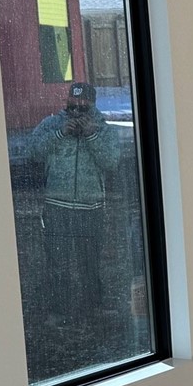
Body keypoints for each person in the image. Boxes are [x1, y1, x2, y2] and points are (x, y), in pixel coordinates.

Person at [24, 83, 116, 320]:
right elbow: (32, 152)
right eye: (72, 105)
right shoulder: (52, 124)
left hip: (91, 206)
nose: (76, 112)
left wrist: (91, 135)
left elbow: (111, 161)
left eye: (82, 107)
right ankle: (59, 311)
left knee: (90, 262)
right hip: (57, 205)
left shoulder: (103, 129)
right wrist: (61, 133)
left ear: (92, 106)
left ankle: (94, 308)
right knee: (57, 262)